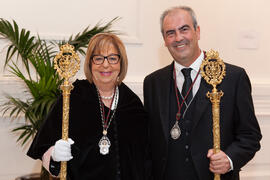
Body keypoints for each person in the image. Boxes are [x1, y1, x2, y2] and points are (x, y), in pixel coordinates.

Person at [143, 6, 262, 180]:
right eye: (170, 33)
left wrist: (229, 159)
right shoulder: (153, 82)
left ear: (197, 32)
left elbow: (250, 136)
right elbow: (149, 142)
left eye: (184, 29)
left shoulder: (233, 78)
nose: (178, 38)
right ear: (165, 40)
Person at [27, 33, 148, 180]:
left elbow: (144, 160)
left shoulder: (132, 104)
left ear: (121, 63)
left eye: (112, 58)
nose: (105, 64)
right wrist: (54, 155)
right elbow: (44, 145)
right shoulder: (73, 96)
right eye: (98, 58)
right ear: (90, 64)